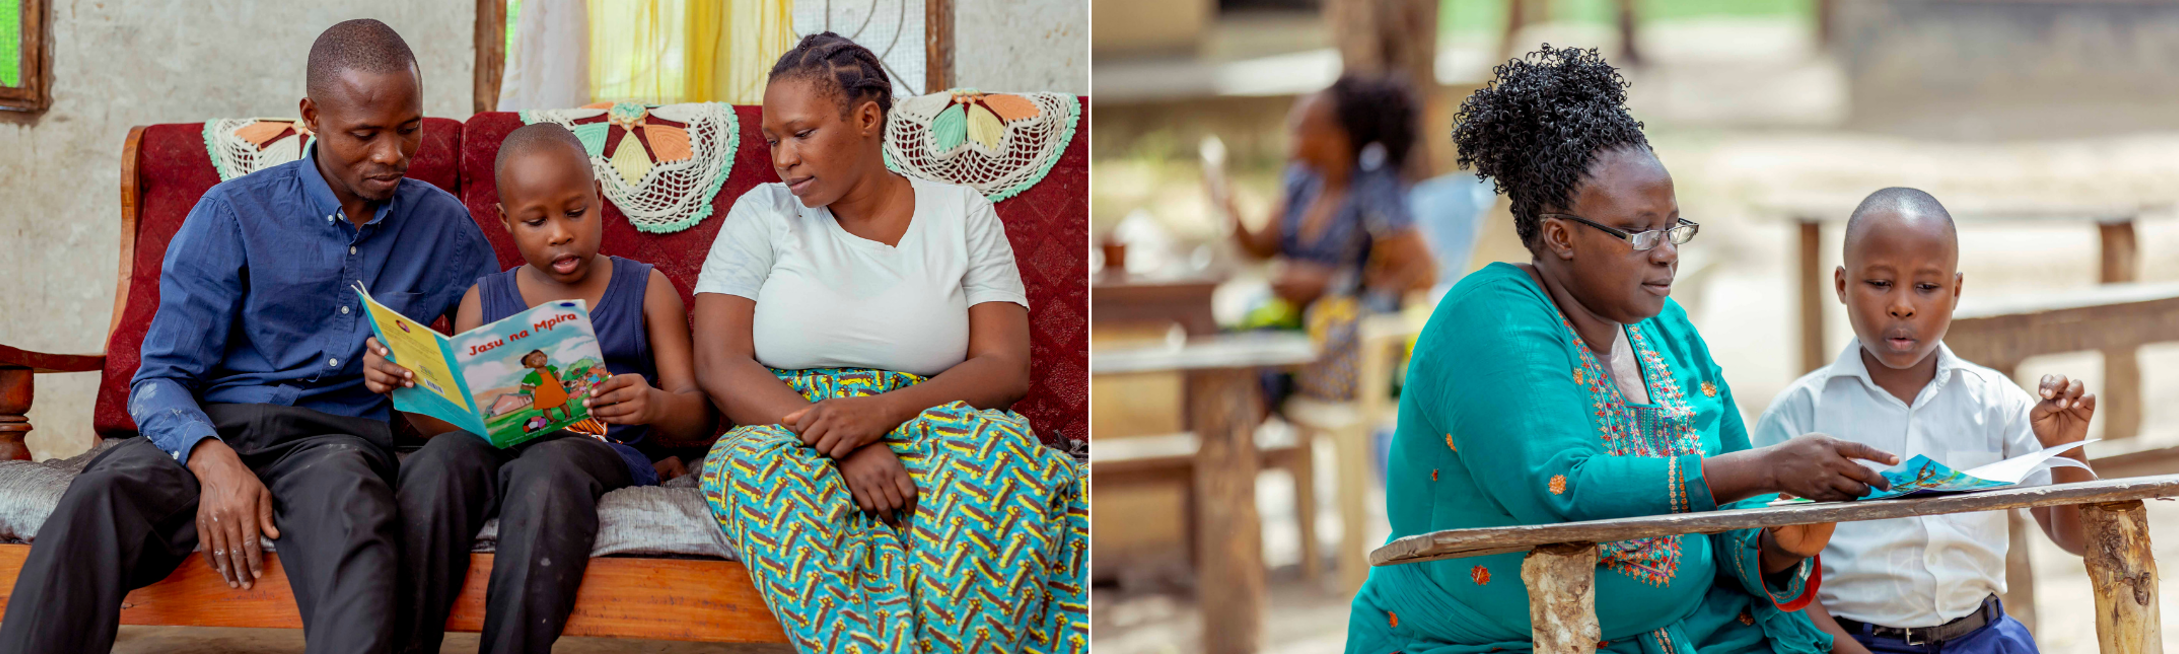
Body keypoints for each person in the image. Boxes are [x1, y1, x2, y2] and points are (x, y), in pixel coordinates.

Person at [1345, 45, 1904, 654]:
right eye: (1639, 231)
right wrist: (1771, 466)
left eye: (1672, 227)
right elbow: (1560, 490)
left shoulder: (1666, 329)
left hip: (1698, 632)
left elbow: (1739, 515)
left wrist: (1784, 541)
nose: (1666, 251)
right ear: (1559, 236)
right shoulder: (1489, 317)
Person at [0, 20, 497, 654]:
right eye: (365, 134)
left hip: (337, 444)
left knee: (358, 523)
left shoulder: (443, 226)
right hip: (215, 426)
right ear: (311, 116)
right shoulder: (232, 213)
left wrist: (427, 374)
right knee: (100, 496)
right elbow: (158, 378)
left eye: (409, 129)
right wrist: (215, 464)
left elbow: (494, 356)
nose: (392, 155)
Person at [690, 32, 1086, 653]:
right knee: (748, 468)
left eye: (802, 133)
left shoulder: (961, 213)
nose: (784, 158)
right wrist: (842, 444)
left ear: (867, 118)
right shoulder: (762, 213)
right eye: (773, 141)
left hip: (937, 416)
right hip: (786, 426)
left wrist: (880, 415)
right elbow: (719, 361)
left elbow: (1006, 367)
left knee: (999, 465)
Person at [370, 123, 715, 654]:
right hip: (499, 450)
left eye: (575, 212)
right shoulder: (483, 301)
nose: (559, 233)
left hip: (601, 453)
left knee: (546, 466)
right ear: (507, 222)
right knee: (436, 461)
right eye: (536, 220)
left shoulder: (647, 288)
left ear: (599, 199)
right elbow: (465, 426)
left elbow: (697, 415)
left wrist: (655, 404)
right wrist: (410, 391)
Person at [1752, 187, 2096, 654]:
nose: (1902, 305)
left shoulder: (1996, 403)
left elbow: (2075, 540)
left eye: (1927, 287)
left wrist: (2068, 449)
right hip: (1850, 644)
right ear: (1841, 285)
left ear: (1955, 291)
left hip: (1984, 639)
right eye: (1879, 283)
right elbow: (1768, 569)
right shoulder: (1799, 415)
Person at [1215, 73, 1437, 402]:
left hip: (1340, 339)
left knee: (1251, 374)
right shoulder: (1303, 181)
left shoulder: (1374, 187)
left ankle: (1247, 443)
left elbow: (1422, 272)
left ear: (1336, 138)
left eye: (1302, 126)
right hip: (1294, 327)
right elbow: (1262, 247)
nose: (1291, 132)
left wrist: (1329, 283)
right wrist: (1230, 213)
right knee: (1226, 354)